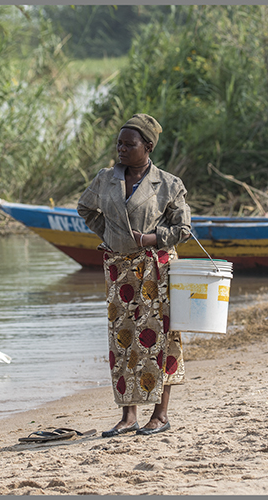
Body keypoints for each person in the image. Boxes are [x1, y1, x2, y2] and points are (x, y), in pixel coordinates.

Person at [77, 113, 191, 437]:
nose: (121, 149)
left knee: (161, 339)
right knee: (123, 339)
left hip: (157, 269)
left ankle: (160, 415)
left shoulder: (168, 184)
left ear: (148, 147)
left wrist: (151, 239)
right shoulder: (106, 179)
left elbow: (183, 229)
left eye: (129, 144)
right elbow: (85, 208)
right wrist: (112, 235)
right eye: (119, 143)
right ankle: (128, 416)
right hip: (119, 272)